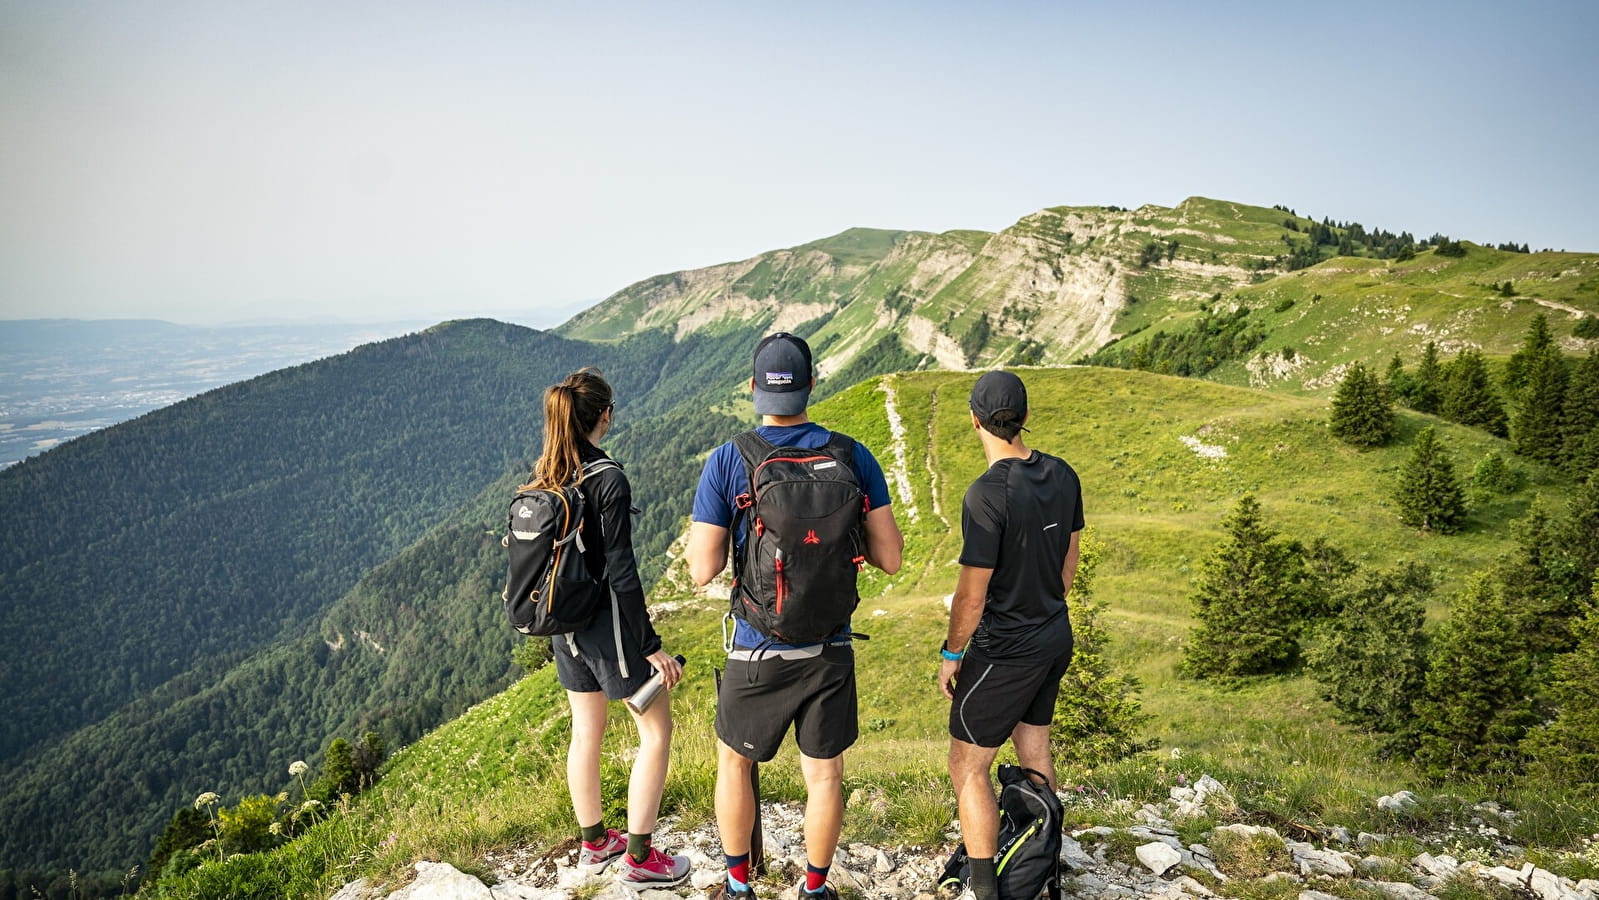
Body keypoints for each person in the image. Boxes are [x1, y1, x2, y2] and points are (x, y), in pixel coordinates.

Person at [687, 333, 905, 900]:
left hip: (756, 648)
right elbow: (890, 557)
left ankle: (738, 887)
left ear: (754, 388)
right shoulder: (854, 456)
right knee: (824, 776)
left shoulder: (730, 460)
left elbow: (701, 569)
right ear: (811, 385)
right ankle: (814, 888)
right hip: (830, 646)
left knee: (734, 764)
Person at [530, 368, 690, 889]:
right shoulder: (608, 479)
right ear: (605, 415)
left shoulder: (550, 472)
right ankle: (641, 860)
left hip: (565, 625)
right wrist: (651, 646)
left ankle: (595, 843)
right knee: (656, 730)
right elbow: (621, 570)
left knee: (587, 730)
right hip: (609, 629)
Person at [938, 370, 1083, 900]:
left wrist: (953, 653)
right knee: (1034, 744)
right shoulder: (1062, 474)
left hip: (1006, 649)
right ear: (1023, 416)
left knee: (967, 763)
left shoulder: (986, 494)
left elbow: (971, 595)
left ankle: (984, 889)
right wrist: (1047, 600)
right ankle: (1044, 868)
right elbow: (1069, 553)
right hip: (1052, 635)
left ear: (974, 419)